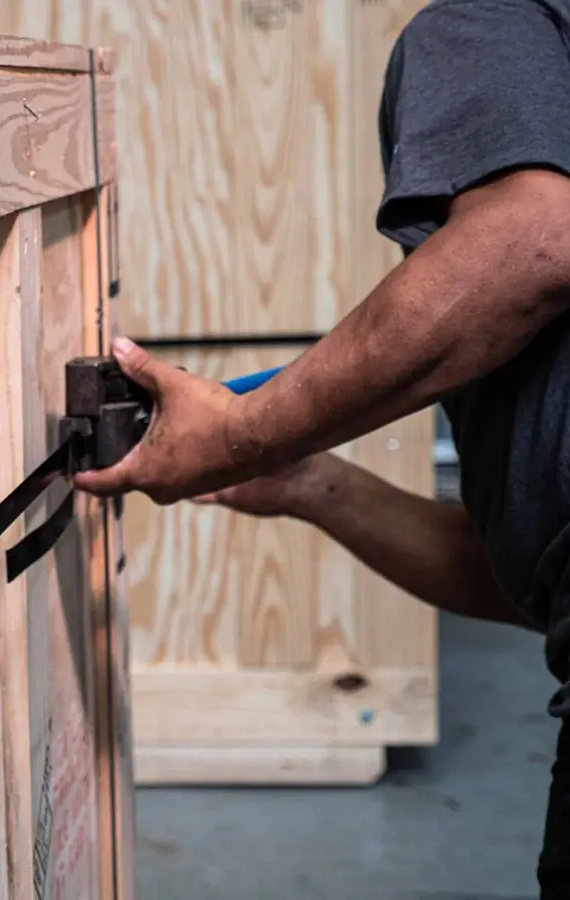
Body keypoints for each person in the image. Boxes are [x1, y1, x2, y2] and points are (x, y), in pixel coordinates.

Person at [72, 0, 570, 893]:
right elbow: (533, 574)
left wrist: (237, 433)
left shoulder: (494, 18)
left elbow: (531, 243)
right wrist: (306, 477)